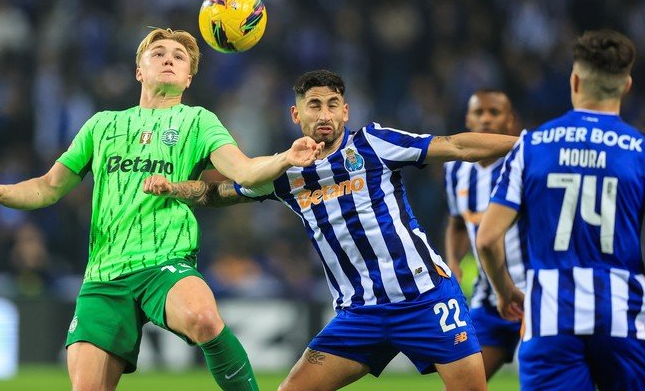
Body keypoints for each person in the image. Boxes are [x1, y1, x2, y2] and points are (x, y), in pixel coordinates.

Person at [0, 27, 324, 391]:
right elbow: (48, 187)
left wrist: (285, 157)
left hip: (165, 262)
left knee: (204, 318)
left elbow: (244, 171)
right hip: (104, 275)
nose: (169, 58)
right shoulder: (102, 125)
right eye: (158, 53)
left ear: (188, 78)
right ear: (139, 71)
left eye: (179, 57)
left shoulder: (197, 121)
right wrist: (2, 192)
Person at [143, 69, 518, 391]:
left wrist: (526, 144)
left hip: (425, 298)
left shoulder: (374, 143)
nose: (325, 114)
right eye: (315, 105)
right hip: (358, 315)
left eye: (333, 104)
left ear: (345, 111)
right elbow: (218, 193)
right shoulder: (285, 172)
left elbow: (455, 145)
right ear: (296, 114)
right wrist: (174, 188)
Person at [477, 29, 645, 391]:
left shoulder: (531, 146)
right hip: (625, 318)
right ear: (627, 85)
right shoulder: (640, 151)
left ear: (574, 80)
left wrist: (505, 292)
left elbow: (488, 239)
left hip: (550, 316)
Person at [443, 89, 525, 381]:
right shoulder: (454, 170)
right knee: (463, 384)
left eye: (494, 112)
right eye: (479, 112)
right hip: (490, 300)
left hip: (536, 296)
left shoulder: (526, 165)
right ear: (468, 118)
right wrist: (453, 260)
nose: (486, 119)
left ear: (510, 120)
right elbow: (456, 221)